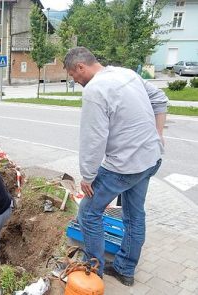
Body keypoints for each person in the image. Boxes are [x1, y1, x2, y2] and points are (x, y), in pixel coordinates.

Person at [63, 47, 167, 286]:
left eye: (73, 75)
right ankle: (125, 269)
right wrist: (158, 136)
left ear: (81, 67)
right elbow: (160, 99)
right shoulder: (126, 73)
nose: (74, 80)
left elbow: (93, 138)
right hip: (150, 159)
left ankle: (93, 274)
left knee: (88, 213)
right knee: (134, 214)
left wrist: (87, 176)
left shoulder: (95, 90)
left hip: (125, 166)